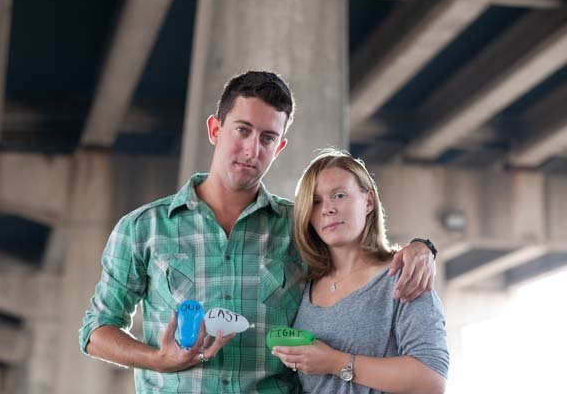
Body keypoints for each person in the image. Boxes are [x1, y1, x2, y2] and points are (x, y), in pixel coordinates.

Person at [79, 71, 438, 393]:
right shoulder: (143, 228)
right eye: (242, 130)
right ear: (215, 129)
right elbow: (96, 331)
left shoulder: (300, 226)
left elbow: (357, 257)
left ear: (279, 147)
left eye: (268, 138)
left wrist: (422, 248)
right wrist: (159, 359)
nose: (252, 149)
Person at [272, 149, 449, 393]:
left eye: (340, 195)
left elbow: (431, 379)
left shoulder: (403, 275)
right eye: (316, 201)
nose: (327, 209)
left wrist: (335, 362)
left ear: (368, 201)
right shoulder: (304, 281)